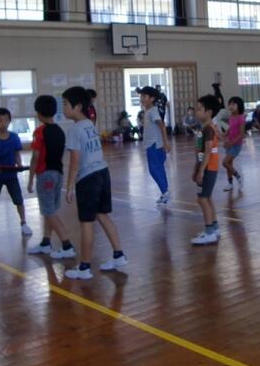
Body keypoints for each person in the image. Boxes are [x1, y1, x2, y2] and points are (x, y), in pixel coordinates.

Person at [61, 86, 127, 280]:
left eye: (65, 104)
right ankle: (119, 255)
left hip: (88, 178)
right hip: (102, 173)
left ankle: (85, 267)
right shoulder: (89, 124)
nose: (63, 108)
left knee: (86, 222)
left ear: (77, 106)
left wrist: (70, 186)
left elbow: (75, 160)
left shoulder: (74, 130)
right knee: (102, 215)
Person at [27, 95, 76, 259]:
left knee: (49, 212)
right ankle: (46, 243)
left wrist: (30, 178)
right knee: (50, 210)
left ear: (38, 113)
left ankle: (67, 245)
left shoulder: (40, 131)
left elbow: (35, 157)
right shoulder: (60, 131)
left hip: (45, 175)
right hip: (58, 174)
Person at [0, 107, 31, 241]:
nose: (3, 123)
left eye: (5, 120)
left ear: (9, 121)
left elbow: (17, 154)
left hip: (11, 175)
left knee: (19, 200)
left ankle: (23, 223)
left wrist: (19, 165)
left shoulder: (14, 137)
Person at [191, 94, 222, 245]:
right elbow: (201, 151)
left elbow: (208, 151)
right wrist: (196, 168)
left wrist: (201, 170)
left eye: (199, 109)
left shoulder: (208, 129)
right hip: (207, 166)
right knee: (207, 198)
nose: (196, 112)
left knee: (202, 199)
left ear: (209, 112)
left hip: (209, 167)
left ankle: (209, 232)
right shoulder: (204, 129)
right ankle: (214, 228)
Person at [138, 86, 171, 205]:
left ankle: (165, 192)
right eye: (141, 96)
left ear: (152, 99)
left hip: (155, 144)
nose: (142, 99)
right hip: (152, 144)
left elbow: (162, 126)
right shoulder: (148, 111)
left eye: (144, 96)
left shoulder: (153, 111)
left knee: (153, 170)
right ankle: (165, 192)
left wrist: (166, 142)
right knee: (159, 169)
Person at [222, 96, 245, 192]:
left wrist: (231, 143)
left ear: (239, 106)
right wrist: (224, 134)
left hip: (236, 145)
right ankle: (230, 184)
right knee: (229, 164)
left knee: (225, 163)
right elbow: (230, 129)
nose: (231, 106)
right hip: (229, 144)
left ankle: (239, 177)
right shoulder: (231, 117)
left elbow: (241, 134)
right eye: (230, 104)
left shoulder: (241, 118)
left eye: (233, 104)